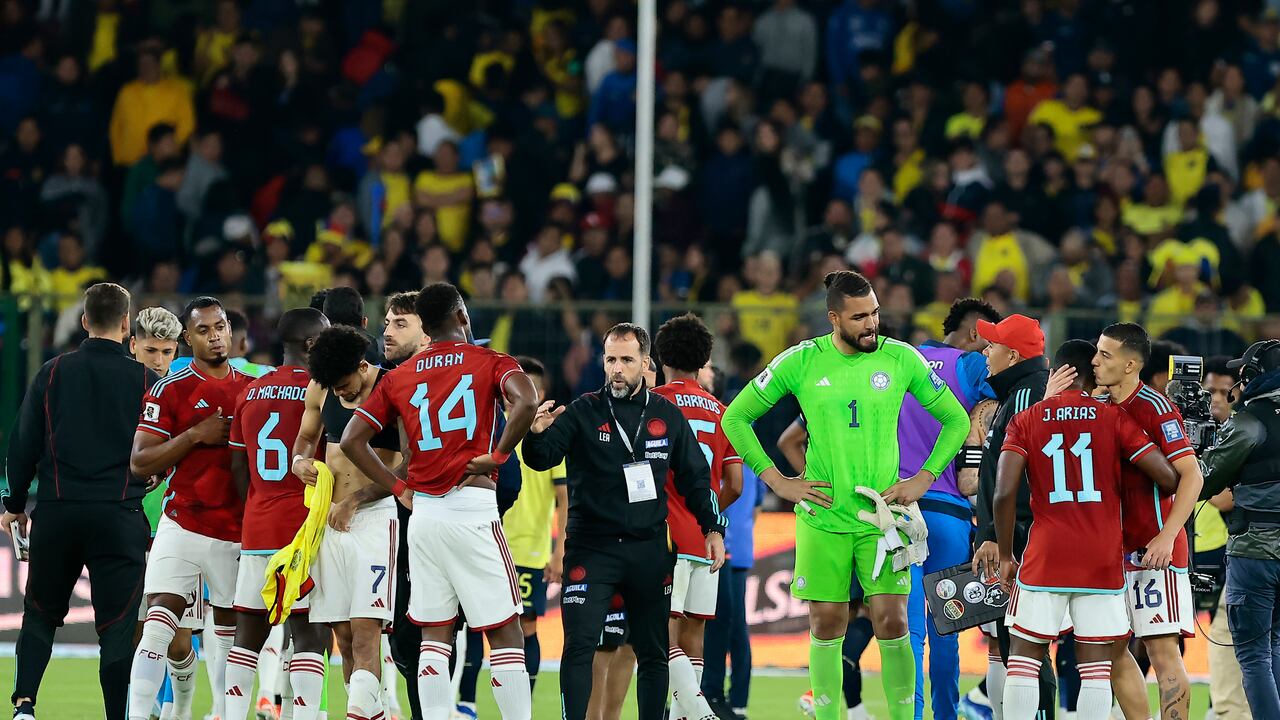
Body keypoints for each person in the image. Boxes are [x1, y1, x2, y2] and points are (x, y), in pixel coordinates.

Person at [722, 270, 969, 720]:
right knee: (827, 625)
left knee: (893, 623)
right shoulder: (801, 360)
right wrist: (776, 480)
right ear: (834, 318)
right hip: (824, 520)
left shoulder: (901, 359)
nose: (871, 324)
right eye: (859, 317)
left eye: (874, 313)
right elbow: (735, 418)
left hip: (884, 521)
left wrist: (924, 479)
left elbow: (957, 420)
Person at [340, 282, 540, 720]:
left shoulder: (401, 376)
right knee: (505, 632)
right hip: (472, 508)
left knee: (435, 634)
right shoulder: (491, 361)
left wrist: (398, 489)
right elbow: (527, 400)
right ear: (463, 317)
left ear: (426, 328)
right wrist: (500, 455)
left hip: (424, 515)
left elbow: (354, 439)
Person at [522, 322, 727, 720]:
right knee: (580, 646)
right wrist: (533, 434)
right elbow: (541, 458)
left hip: (647, 549)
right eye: (611, 359)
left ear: (645, 363)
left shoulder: (665, 415)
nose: (617, 368)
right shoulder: (583, 410)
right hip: (591, 549)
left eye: (627, 360)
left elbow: (695, 478)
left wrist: (713, 528)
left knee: (652, 653)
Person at [994, 339, 1180, 720]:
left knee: (1024, 658)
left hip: (1046, 553)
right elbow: (1167, 476)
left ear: (1057, 373)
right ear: (1088, 373)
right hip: (1101, 557)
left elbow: (1002, 494)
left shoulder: (1027, 418)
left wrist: (1004, 554)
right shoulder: (1112, 418)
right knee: (1096, 666)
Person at [1, 284, 159, 720]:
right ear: (127, 324)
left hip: (57, 511)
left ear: (85, 321)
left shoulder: (51, 373)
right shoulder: (147, 380)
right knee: (117, 627)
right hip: (120, 515)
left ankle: (24, 708)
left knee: (39, 614)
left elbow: (22, 443)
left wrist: (14, 503)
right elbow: (161, 451)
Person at [126, 296, 251, 720]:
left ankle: (221, 712)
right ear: (187, 338)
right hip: (181, 524)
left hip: (237, 531)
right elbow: (141, 460)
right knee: (158, 626)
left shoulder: (252, 390)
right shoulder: (171, 388)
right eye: (203, 329)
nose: (215, 336)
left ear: (231, 331)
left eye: (221, 327)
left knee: (231, 637)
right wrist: (195, 434)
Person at [1088, 323, 1204, 720]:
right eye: (1096, 352)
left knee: (1162, 650)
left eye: (1105, 355)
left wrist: (1167, 537)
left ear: (1131, 364)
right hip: (1109, 552)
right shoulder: (1096, 407)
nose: (1095, 361)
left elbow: (1193, 475)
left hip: (1154, 552)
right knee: (1111, 649)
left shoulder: (1154, 407)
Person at [223, 308, 333, 720]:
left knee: (247, 633)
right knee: (308, 632)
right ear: (310, 345)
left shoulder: (251, 391)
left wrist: (252, 507)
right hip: (304, 529)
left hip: (257, 526)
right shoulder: (323, 392)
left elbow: (238, 467)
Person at [291, 325, 404, 720]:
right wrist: (299, 461)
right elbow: (306, 437)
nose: (341, 393)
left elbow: (409, 463)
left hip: (374, 519)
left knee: (366, 632)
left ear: (363, 365)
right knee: (342, 634)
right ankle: (369, 713)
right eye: (334, 389)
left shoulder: (395, 387)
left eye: (346, 384)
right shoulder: (321, 387)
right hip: (330, 520)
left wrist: (356, 499)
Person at [652, 313, 745, 720]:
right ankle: (685, 713)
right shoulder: (722, 411)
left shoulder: (653, 403)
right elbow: (736, 484)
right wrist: (708, 513)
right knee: (695, 633)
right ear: (704, 357)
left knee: (661, 631)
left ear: (659, 357)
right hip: (707, 540)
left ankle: (698, 709)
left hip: (664, 535)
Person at [970, 313, 1052, 720]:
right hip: (1014, 535)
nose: (986, 352)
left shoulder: (1025, 395)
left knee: (1027, 645)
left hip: (1017, 539)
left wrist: (996, 536)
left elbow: (1014, 482)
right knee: (1013, 641)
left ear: (1013, 354)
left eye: (993, 345)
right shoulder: (1021, 390)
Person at [1198, 339, 1280, 718]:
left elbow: (1205, 480)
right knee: (1276, 646)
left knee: (1253, 654)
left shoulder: (1248, 421)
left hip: (1255, 552)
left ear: (1251, 374)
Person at [129, 305, 203, 720]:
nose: (159, 361)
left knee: (178, 641)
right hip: (131, 527)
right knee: (141, 632)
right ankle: (150, 712)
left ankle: (181, 707)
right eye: (151, 351)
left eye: (167, 352)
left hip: (179, 528)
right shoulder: (125, 393)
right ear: (133, 344)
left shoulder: (187, 392)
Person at [500, 356, 569, 696]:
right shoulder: (495, 424)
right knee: (473, 626)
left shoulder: (550, 436)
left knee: (525, 626)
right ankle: (466, 703)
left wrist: (559, 552)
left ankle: (522, 702)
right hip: (490, 543)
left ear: (540, 393)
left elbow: (564, 499)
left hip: (529, 548)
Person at [379, 290, 431, 720]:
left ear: (426, 330)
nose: (388, 331)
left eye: (400, 324)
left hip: (430, 522)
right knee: (405, 641)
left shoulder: (405, 383)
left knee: (422, 635)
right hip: (398, 523)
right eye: (386, 323)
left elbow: (508, 478)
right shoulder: (386, 380)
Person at [1198, 356, 1249, 720]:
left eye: (1221, 390)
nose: (1215, 398)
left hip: (1246, 551)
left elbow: (1224, 498)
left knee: (1230, 638)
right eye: (1208, 390)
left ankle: (1229, 712)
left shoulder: (1246, 431)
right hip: (1229, 550)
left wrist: (1189, 468)